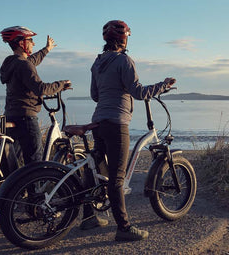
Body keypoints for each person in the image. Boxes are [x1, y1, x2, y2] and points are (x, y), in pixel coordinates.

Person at [85, 20, 176, 241]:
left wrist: (112, 90)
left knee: (97, 169)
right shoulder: (124, 60)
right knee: (117, 177)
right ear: (124, 39)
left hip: (98, 121)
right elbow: (138, 92)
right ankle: (124, 228)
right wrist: (163, 85)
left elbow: (95, 96)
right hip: (117, 123)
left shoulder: (97, 63)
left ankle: (89, 217)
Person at [0, 26, 72, 167]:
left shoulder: (12, 63)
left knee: (12, 164)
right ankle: (34, 189)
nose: (33, 43)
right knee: (35, 165)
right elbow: (41, 88)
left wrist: (47, 49)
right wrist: (62, 84)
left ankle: (13, 188)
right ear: (22, 43)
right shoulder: (24, 65)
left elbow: (31, 61)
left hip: (11, 116)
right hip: (26, 119)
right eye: (30, 40)